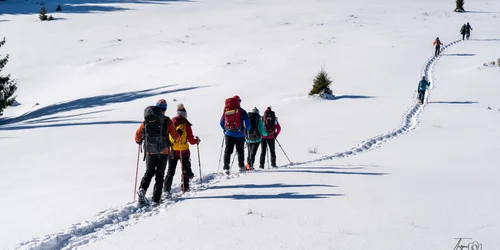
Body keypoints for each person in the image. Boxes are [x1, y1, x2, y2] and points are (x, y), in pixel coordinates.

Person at [135, 99, 180, 206]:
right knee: (160, 174)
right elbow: (176, 137)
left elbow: (137, 135)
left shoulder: (147, 120)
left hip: (149, 151)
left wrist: (139, 141)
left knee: (149, 172)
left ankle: (142, 189)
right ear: (165, 109)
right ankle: (156, 199)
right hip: (163, 151)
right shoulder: (167, 120)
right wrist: (178, 134)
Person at [163, 103, 200, 197]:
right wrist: (197, 141)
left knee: (170, 171)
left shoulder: (171, 122)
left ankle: (166, 190)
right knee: (185, 169)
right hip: (183, 150)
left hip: (172, 150)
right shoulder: (186, 123)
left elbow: (166, 136)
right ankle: (185, 188)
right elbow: (191, 140)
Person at [220, 95, 250, 174]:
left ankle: (226, 167)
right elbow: (248, 124)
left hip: (229, 133)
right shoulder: (242, 111)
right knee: (240, 151)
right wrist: (246, 130)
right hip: (240, 134)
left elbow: (221, 123)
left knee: (228, 151)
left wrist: (225, 129)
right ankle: (241, 166)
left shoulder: (226, 110)